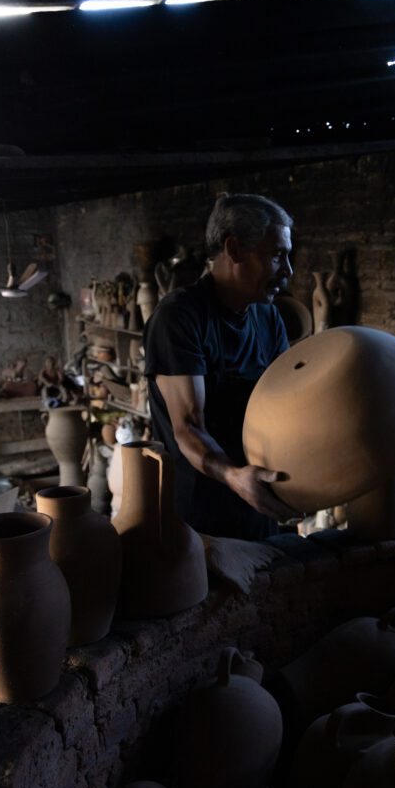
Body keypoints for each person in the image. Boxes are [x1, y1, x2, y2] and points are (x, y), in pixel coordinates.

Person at [143, 193, 296, 540]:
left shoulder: (268, 317)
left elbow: (286, 404)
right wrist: (234, 477)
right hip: (197, 517)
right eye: (277, 256)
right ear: (235, 250)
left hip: (258, 496)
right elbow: (189, 427)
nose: (289, 271)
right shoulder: (179, 319)